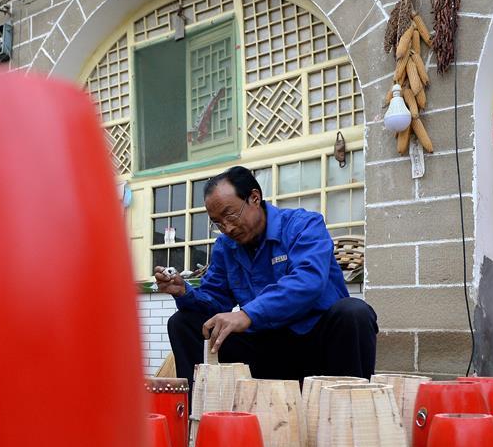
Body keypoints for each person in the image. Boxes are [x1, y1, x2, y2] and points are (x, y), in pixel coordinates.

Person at [155, 166, 378, 391]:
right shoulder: (226, 247)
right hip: (264, 351)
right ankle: (202, 415)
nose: (228, 228)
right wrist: (185, 292)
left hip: (318, 348)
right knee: (184, 323)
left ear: (254, 198)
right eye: (218, 223)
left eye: (230, 215)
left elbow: (307, 281)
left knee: (354, 312)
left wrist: (248, 314)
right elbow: (215, 300)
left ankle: (350, 407)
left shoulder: (304, 225)